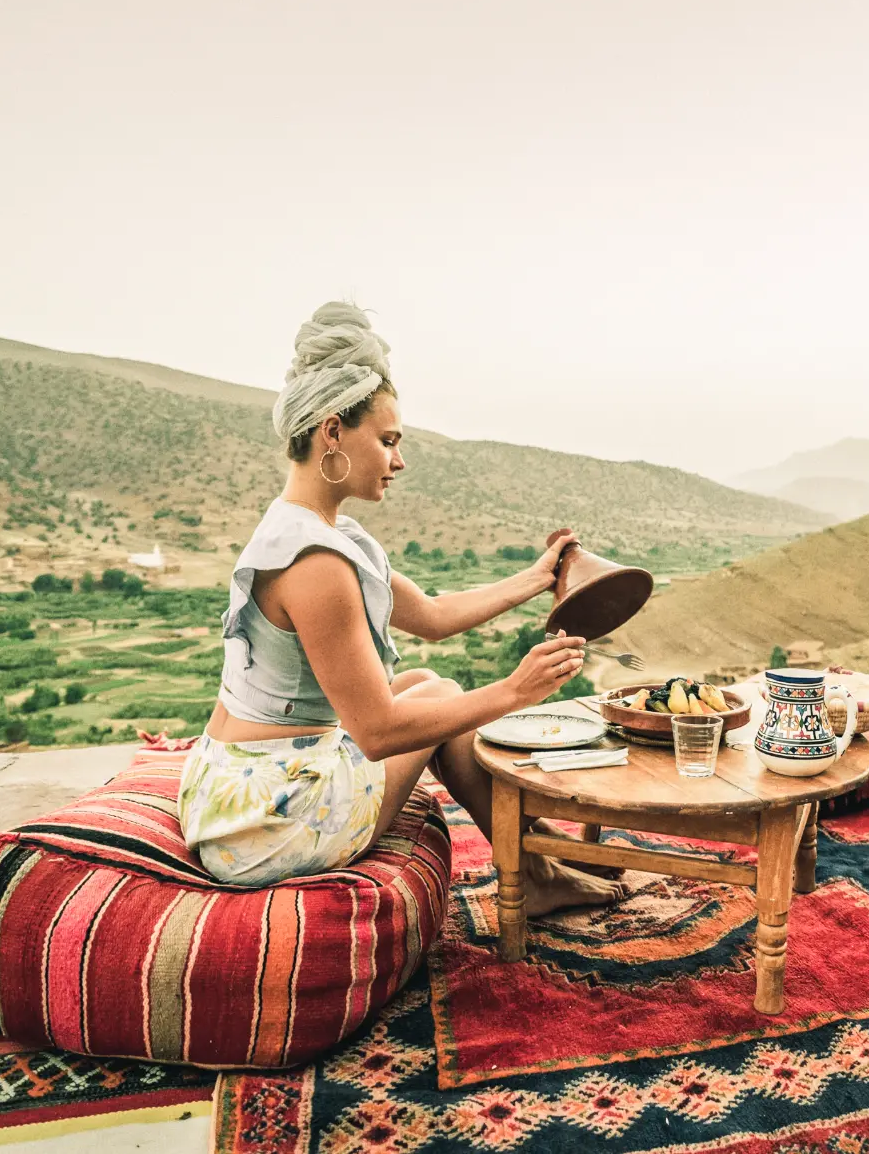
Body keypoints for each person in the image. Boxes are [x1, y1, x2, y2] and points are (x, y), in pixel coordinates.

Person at [178, 302, 627, 915]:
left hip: (240, 783)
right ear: (333, 432)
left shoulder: (315, 529)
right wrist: (514, 692)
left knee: (425, 681)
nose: (399, 460)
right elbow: (378, 731)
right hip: (261, 823)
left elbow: (434, 617)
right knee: (440, 700)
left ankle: (537, 854)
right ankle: (535, 867)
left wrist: (535, 578)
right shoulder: (317, 566)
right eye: (387, 441)